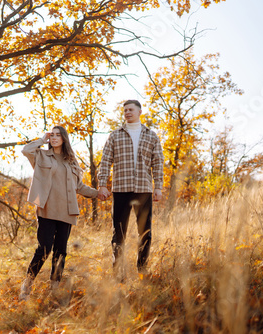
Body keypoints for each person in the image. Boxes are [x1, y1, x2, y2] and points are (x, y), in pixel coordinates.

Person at [19, 126, 99, 300]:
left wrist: (97, 193)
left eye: (58, 135)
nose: (54, 138)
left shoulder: (71, 161)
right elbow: (26, 150)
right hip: (47, 209)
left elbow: (79, 187)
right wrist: (42, 139)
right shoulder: (41, 156)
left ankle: (55, 286)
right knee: (44, 248)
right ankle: (28, 283)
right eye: (52, 135)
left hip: (67, 211)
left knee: (61, 250)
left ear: (64, 138)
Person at [97, 99, 164, 279]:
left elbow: (157, 162)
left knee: (145, 232)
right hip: (120, 189)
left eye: (131, 109)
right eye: (125, 110)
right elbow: (105, 161)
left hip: (143, 189)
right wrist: (102, 184)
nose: (127, 112)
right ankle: (118, 273)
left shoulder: (151, 136)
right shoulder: (115, 135)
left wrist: (158, 186)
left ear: (140, 112)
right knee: (118, 233)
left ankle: (142, 270)